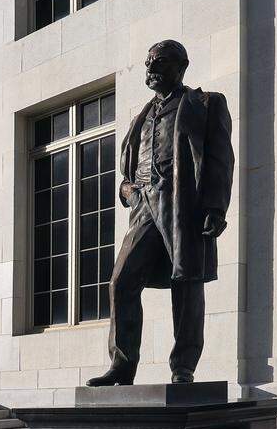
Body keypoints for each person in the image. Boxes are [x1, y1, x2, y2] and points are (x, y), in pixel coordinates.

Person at [87, 40, 234, 386]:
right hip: (144, 208)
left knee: (187, 284)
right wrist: (128, 191)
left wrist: (215, 206)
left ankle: (183, 367)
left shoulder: (205, 104)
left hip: (183, 205)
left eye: (160, 63)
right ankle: (122, 366)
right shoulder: (143, 115)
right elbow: (127, 170)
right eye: (148, 63)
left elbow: (220, 160)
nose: (151, 69)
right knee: (121, 282)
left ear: (181, 67)